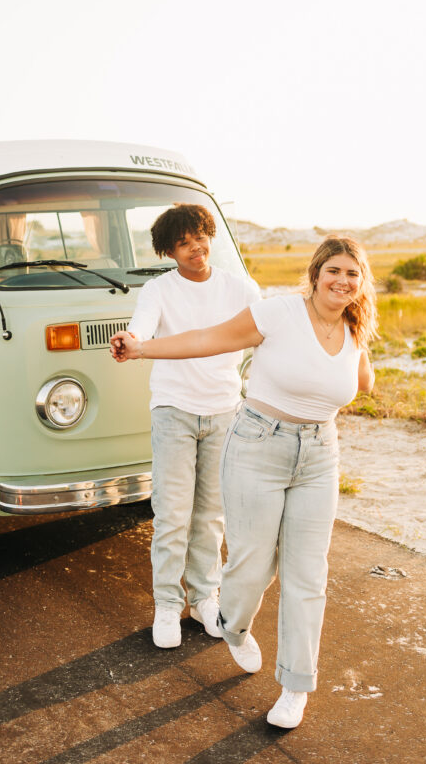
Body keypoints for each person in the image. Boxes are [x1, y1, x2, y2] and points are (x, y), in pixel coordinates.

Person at [111, 235, 377, 729]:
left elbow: (363, 383)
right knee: (253, 562)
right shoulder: (278, 313)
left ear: (362, 284)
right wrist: (142, 347)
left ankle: (295, 685)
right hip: (258, 444)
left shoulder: (354, 329)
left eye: (352, 274)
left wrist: (355, 362)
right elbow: (206, 339)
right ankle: (231, 622)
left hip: (320, 455)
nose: (342, 281)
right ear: (316, 273)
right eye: (334, 271)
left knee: (307, 574)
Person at [113, 203, 260, 650]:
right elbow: (139, 331)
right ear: (169, 251)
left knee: (211, 514)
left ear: (210, 235)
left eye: (200, 237)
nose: (195, 248)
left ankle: (205, 600)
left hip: (224, 412)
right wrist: (129, 343)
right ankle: (166, 606)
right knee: (172, 514)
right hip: (174, 411)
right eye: (183, 244)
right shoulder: (159, 290)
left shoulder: (241, 288)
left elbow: (268, 335)